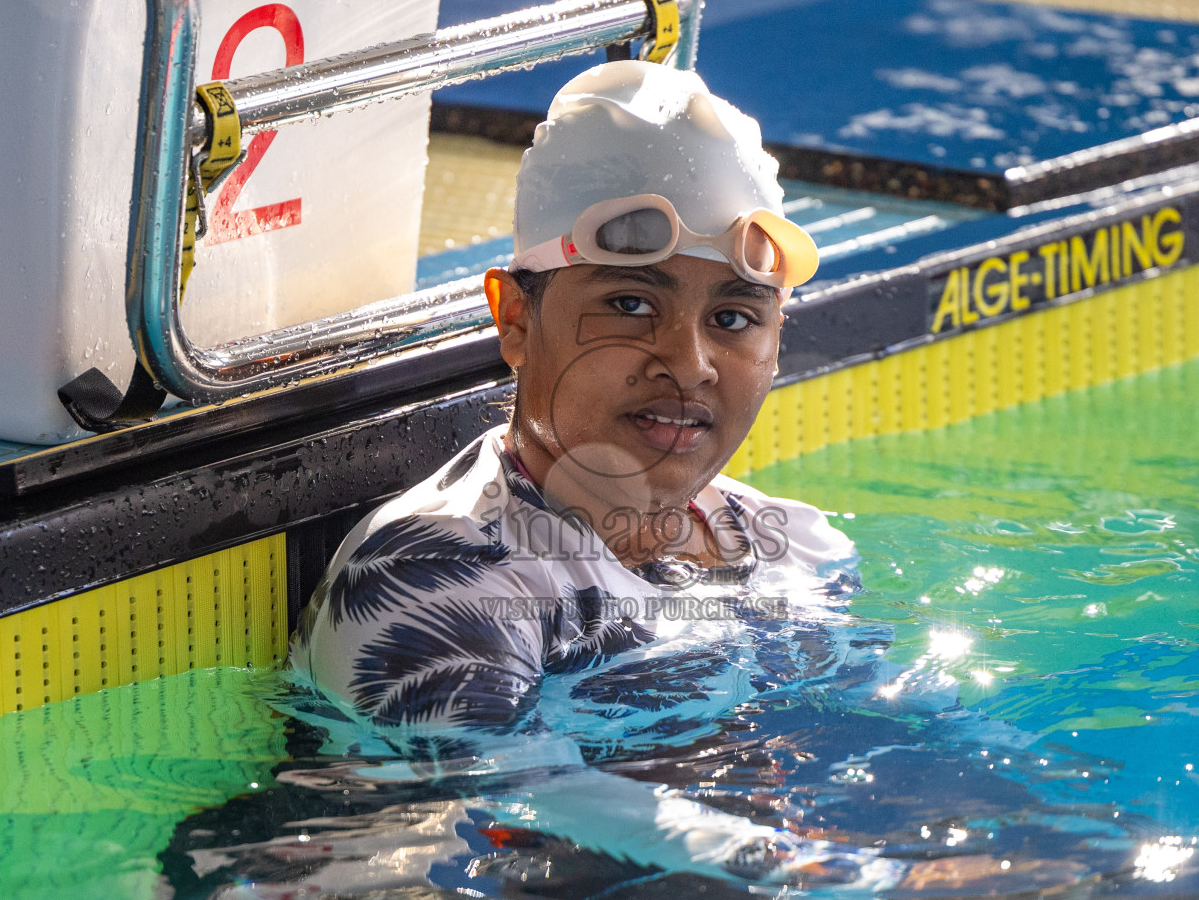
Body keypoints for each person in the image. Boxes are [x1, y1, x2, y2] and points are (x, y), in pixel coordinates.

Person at [291, 59, 856, 731]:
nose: (689, 363)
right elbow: (514, 812)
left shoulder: (796, 547)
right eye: (629, 302)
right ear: (516, 321)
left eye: (734, 318)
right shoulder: (436, 581)